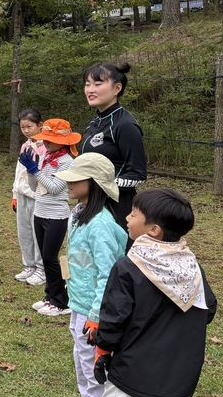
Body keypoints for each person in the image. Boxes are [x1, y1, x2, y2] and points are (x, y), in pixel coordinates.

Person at [83, 189, 216, 397]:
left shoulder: (128, 267)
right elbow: (208, 309)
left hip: (134, 373)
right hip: (181, 374)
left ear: (153, 230)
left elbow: (113, 319)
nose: (128, 218)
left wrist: (103, 348)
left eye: (133, 214)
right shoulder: (191, 265)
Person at [52, 154, 128, 397]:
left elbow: (109, 277)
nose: (68, 182)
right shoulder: (80, 214)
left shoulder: (102, 226)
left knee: (95, 370)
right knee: (82, 364)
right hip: (78, 305)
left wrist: (97, 318)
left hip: (93, 314)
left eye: (76, 177)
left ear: (94, 184)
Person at [19, 118, 79, 317]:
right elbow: (35, 187)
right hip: (40, 212)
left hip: (56, 215)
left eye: (51, 139)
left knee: (51, 258)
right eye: (44, 139)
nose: (46, 143)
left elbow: (54, 188)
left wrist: (36, 171)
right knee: (45, 258)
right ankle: (50, 296)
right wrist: (31, 170)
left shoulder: (67, 162)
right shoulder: (47, 158)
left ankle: (61, 301)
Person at [79, 62, 147, 229]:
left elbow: (138, 175)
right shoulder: (95, 121)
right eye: (87, 84)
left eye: (98, 84)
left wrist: (101, 186)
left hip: (117, 208)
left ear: (117, 88)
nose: (90, 90)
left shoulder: (125, 124)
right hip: (92, 204)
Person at [12, 109, 46, 286]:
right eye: (22, 127)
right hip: (23, 194)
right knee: (24, 232)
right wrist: (15, 194)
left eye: (29, 126)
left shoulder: (46, 146)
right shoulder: (25, 146)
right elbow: (19, 172)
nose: (26, 130)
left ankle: (41, 268)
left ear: (40, 125)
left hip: (38, 196)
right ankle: (29, 265)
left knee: (37, 232)